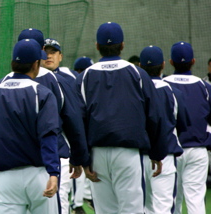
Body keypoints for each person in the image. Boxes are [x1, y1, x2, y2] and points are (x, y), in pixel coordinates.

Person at [76, 22, 168, 213]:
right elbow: (154, 116)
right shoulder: (138, 73)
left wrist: (83, 159)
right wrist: (157, 153)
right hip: (128, 153)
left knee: (105, 211)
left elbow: (77, 121)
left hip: (97, 154)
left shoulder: (84, 76)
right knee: (131, 210)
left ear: (97, 46)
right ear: (123, 45)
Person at [0, 38, 70, 214]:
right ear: (36, 64)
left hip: (6, 178)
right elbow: (49, 134)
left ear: (14, 62)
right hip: (38, 176)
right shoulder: (42, 93)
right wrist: (53, 172)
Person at [139, 45, 190, 213]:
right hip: (165, 155)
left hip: (137, 156)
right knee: (163, 206)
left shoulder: (134, 90)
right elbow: (182, 125)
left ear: (140, 66)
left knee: (142, 207)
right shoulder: (173, 91)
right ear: (163, 65)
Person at [41, 37, 89, 214]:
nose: (48, 56)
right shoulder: (33, 78)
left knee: (60, 197)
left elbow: (77, 117)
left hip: (63, 148)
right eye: (45, 52)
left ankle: (77, 204)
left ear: (60, 56)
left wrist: (80, 154)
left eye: (52, 52)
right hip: (36, 151)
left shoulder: (70, 77)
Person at [163, 41, 211, 214]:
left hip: (171, 152)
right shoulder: (205, 87)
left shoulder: (163, 84)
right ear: (193, 61)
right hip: (198, 151)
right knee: (196, 199)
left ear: (170, 62)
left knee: (171, 198)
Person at [70, 56, 94, 214]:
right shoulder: (76, 84)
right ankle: (76, 204)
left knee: (88, 170)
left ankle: (85, 196)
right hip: (76, 135)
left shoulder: (89, 85)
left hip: (88, 134)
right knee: (77, 171)